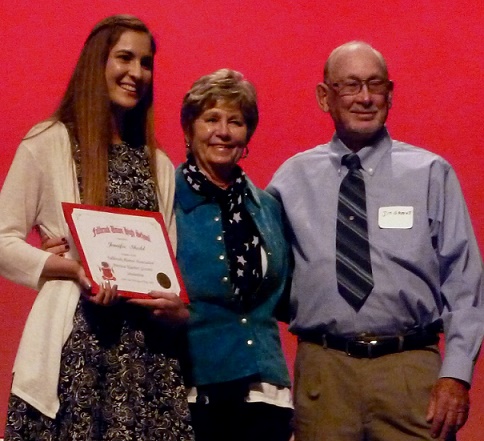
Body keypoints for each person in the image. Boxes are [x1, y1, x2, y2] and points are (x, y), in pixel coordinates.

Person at [267, 41, 483, 441]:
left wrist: (456, 374)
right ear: (324, 97)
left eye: (375, 85)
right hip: (323, 376)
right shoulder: (289, 180)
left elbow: (465, 285)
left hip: (411, 375)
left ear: (390, 93)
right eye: (350, 86)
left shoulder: (432, 173)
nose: (364, 98)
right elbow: (266, 275)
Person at [0, 15, 193, 440]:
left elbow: (168, 265)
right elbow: (2, 240)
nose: (136, 73)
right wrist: (71, 269)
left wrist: (176, 307)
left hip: (147, 363)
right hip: (76, 353)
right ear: (96, 63)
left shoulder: (158, 164)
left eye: (145, 63)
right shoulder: (49, 142)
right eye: (124, 57)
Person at [174, 68, 293, 441]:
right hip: (195, 387)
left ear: (248, 135)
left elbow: (285, 295)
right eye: (211, 119)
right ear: (190, 129)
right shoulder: (163, 199)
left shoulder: (267, 206)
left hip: (265, 390)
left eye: (236, 122)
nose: (223, 132)